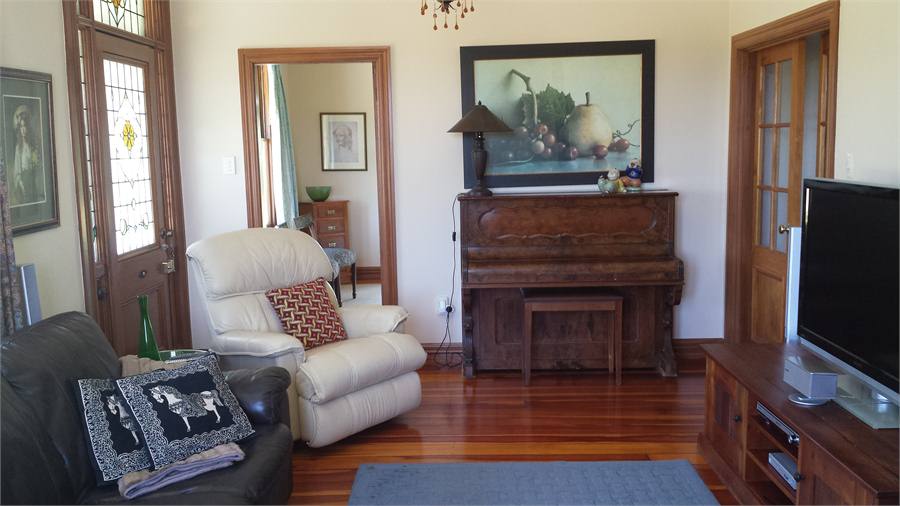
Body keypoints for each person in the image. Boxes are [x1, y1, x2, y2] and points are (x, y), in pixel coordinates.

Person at [9, 104, 44, 206]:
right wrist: (21, 183)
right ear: (19, 129)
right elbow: (17, 171)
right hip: (24, 184)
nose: (24, 130)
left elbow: (39, 164)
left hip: (35, 181)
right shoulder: (18, 148)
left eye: (25, 126)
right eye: (21, 127)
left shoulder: (34, 145)